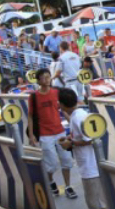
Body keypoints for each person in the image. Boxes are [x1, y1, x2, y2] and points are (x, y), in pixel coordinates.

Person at [56, 88, 113, 209]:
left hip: (90, 166)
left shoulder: (78, 118)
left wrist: (71, 143)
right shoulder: (78, 115)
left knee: (96, 203)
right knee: (91, 202)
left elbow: (91, 139)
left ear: (61, 104)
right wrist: (71, 137)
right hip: (85, 165)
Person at [27, 69, 77, 199]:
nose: (47, 80)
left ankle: (68, 186)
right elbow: (30, 116)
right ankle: (51, 181)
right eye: (43, 78)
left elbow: (63, 110)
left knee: (66, 160)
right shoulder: (33, 96)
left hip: (59, 131)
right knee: (52, 163)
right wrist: (32, 135)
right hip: (45, 134)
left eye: (48, 77)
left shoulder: (56, 92)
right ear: (38, 81)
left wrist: (72, 123)